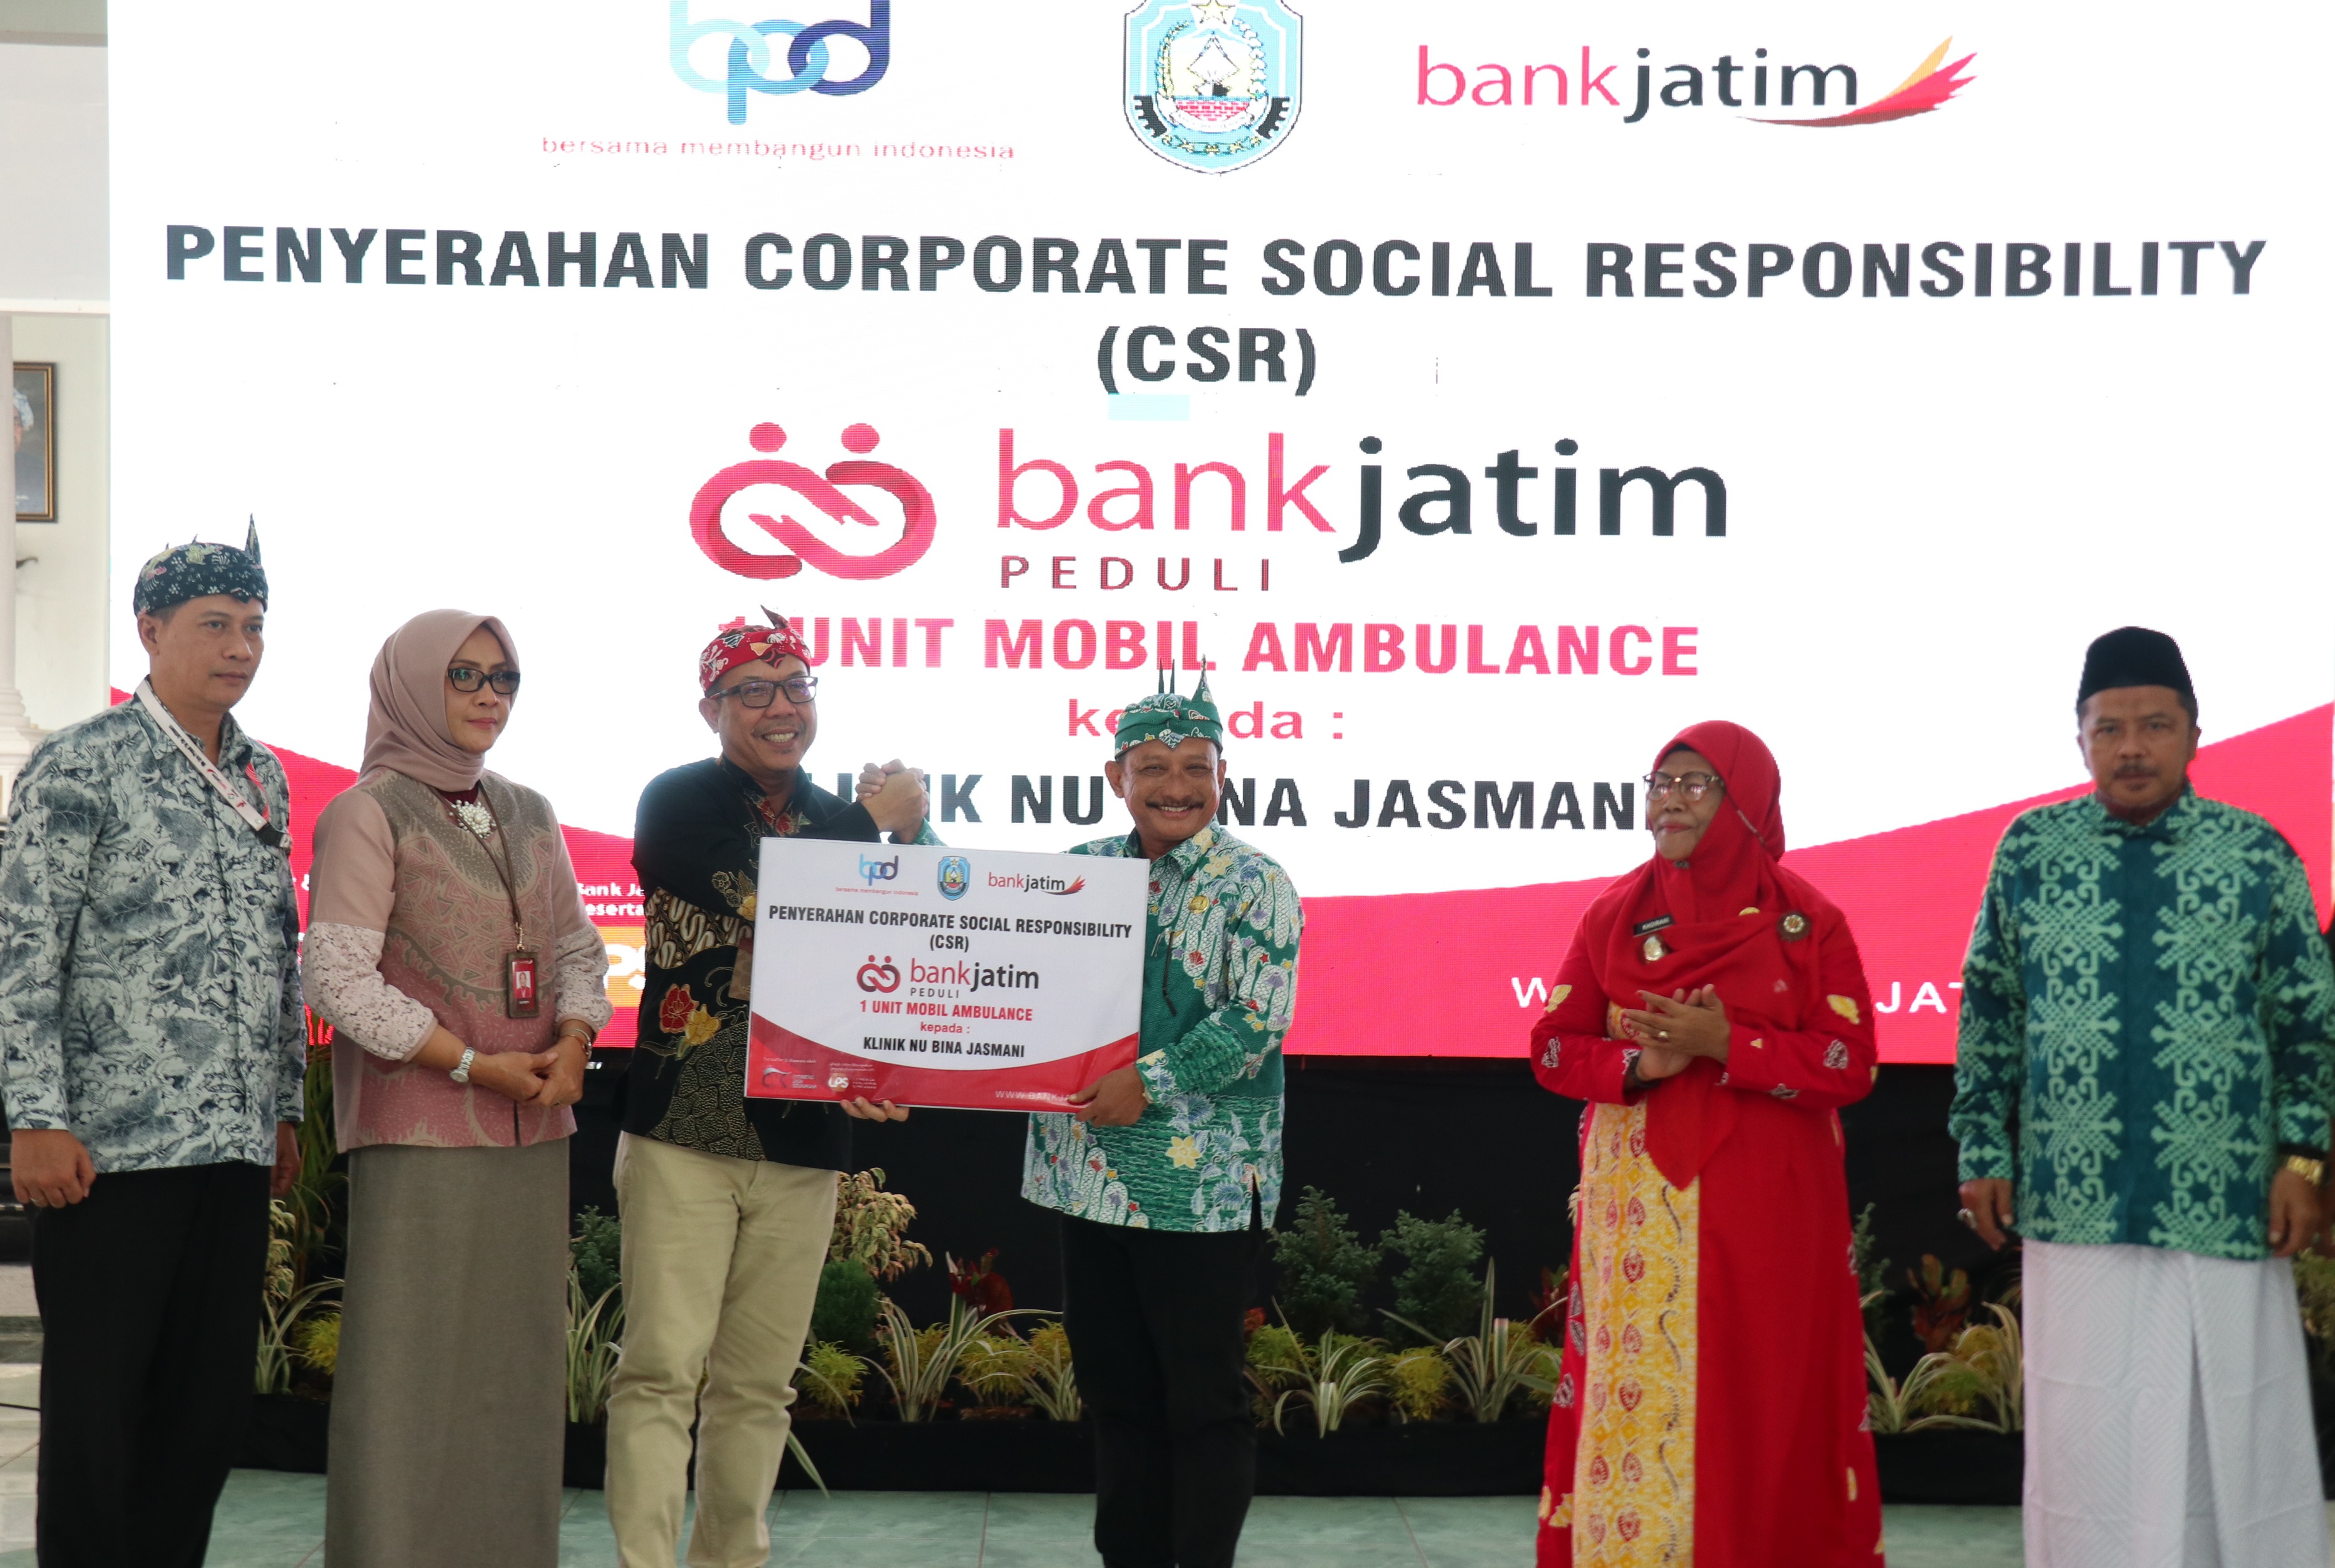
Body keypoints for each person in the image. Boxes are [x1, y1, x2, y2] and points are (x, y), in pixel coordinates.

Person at [1950, 626, 2335, 1567]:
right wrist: (1982, 1151)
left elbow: (2308, 1022)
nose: (2132, 748)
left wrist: (2301, 1161)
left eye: (2155, 726)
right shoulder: (2030, 850)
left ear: (2195, 733)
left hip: (2224, 1196)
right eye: (2109, 728)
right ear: (2078, 738)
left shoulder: (2256, 854)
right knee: (2086, 1432)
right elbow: (1990, 1007)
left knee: (2235, 1424)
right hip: (2074, 1195)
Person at [0, 527, 305, 1567]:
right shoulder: (81, 763)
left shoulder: (264, 777)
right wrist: (36, 1118)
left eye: (253, 626)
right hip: (109, 1153)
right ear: (150, 630)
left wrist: (284, 1106)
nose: (240, 647)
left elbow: (279, 952)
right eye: (215, 625)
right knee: (99, 1417)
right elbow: (25, 951)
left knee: (203, 1415)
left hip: (232, 1147)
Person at [606, 611, 930, 1568]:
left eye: (796, 687)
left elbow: (919, 935)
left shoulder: (837, 818)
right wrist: (876, 827)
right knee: (661, 1372)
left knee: (758, 1387)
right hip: (683, 1132)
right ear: (711, 708)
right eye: (753, 690)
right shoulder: (678, 800)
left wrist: (913, 830)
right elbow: (774, 893)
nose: (781, 707)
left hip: (803, 1138)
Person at [1528, 720, 1882, 1567]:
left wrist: (1731, 1044)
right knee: (1637, 1396)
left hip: (1770, 1203)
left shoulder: (1809, 921)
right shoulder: (1613, 915)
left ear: (1747, 801)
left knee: (1766, 1394)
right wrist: (1640, 1064)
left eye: (1693, 784)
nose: (1668, 802)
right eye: (1660, 784)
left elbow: (1852, 1063)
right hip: (1640, 1208)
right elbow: (1551, 1049)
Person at [302, 610, 611, 1566]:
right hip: (421, 1134)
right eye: (464, 675)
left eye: (503, 678)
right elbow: (337, 979)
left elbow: (576, 948)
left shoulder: (531, 810)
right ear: (411, 684)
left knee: (513, 1369)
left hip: (534, 1131)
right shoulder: (369, 812)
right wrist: (473, 1066)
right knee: (414, 1368)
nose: (487, 696)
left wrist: (574, 1039)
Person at [1021, 673, 1303, 1568]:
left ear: (1224, 775)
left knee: (1204, 1404)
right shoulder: (1080, 872)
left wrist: (1148, 1081)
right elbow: (989, 940)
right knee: (1117, 1400)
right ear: (1117, 776)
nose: (1176, 787)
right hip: (1088, 1175)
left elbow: (1257, 1021)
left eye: (1195, 768)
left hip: (1201, 1188)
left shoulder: (1256, 883)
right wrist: (914, 841)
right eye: (1153, 768)